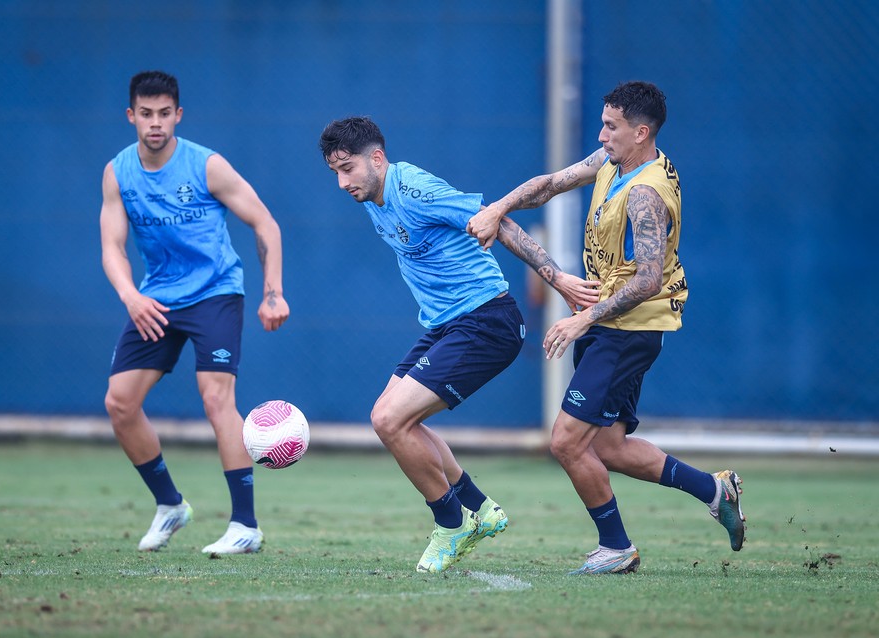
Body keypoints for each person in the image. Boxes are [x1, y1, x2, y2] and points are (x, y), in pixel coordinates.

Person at [467, 81, 746, 574]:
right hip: (609, 322)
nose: (601, 135)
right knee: (607, 447)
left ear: (641, 133)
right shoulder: (614, 162)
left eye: (611, 127)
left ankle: (616, 547)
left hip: (627, 329)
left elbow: (649, 279)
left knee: (565, 442)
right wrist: (498, 207)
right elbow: (551, 184)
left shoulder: (645, 195)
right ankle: (713, 490)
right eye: (602, 124)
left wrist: (584, 318)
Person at [318, 116, 600, 573]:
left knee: (390, 419)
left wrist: (558, 278)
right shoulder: (372, 197)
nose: (342, 182)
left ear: (377, 158)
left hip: (486, 321)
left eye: (347, 168)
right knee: (393, 419)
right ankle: (480, 509)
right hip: (447, 325)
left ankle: (451, 523)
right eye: (335, 172)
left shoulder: (415, 190)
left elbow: (496, 222)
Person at [99, 71, 289, 555]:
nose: (155, 123)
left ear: (178, 115)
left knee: (216, 399)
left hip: (215, 293)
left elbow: (265, 222)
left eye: (164, 114)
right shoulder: (118, 172)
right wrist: (131, 296)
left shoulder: (207, 166)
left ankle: (245, 525)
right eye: (146, 114)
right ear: (131, 116)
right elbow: (112, 247)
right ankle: (170, 505)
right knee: (120, 404)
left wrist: (273, 292)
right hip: (156, 299)